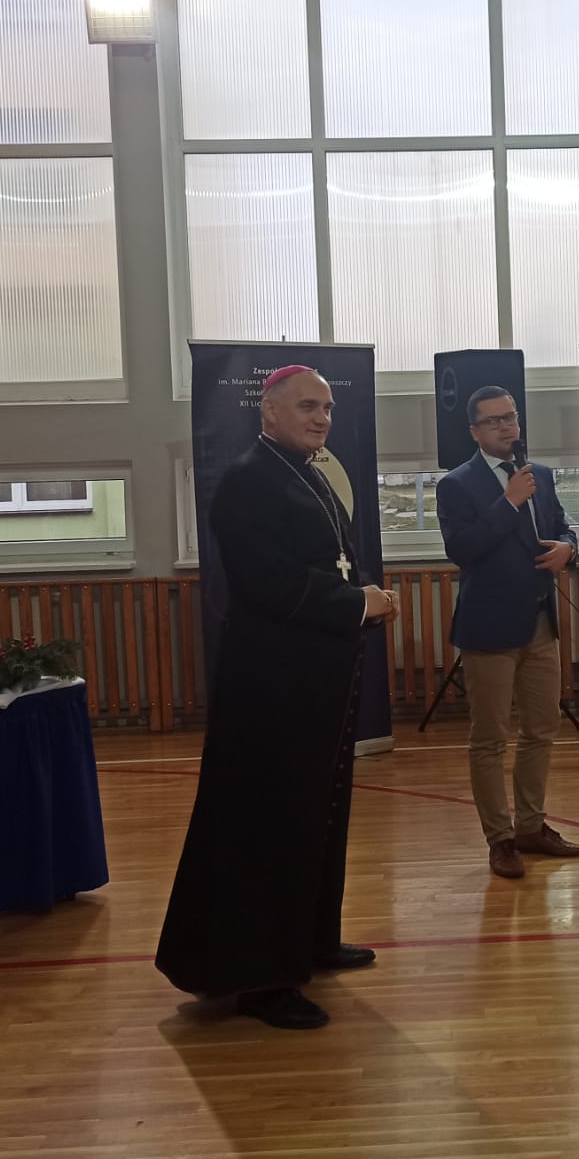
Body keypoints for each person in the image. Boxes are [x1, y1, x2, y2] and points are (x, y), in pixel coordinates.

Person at [155, 365, 399, 1030]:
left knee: (317, 815)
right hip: (271, 688)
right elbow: (268, 580)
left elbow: (332, 561)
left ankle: (311, 940)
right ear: (268, 411)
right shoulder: (248, 480)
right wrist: (357, 603)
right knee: (272, 826)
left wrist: (363, 595)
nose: (322, 418)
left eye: (328, 407)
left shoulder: (307, 472)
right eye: (307, 406)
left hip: (315, 679)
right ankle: (262, 978)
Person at [436, 386, 579, 880]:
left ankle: (530, 826)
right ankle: (499, 839)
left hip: (540, 623)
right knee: (489, 738)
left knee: (542, 729)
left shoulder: (539, 473)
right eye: (494, 420)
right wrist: (507, 501)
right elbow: (462, 549)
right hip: (489, 627)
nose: (506, 427)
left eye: (511, 417)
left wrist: (568, 548)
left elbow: (563, 527)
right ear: (475, 431)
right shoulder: (456, 484)